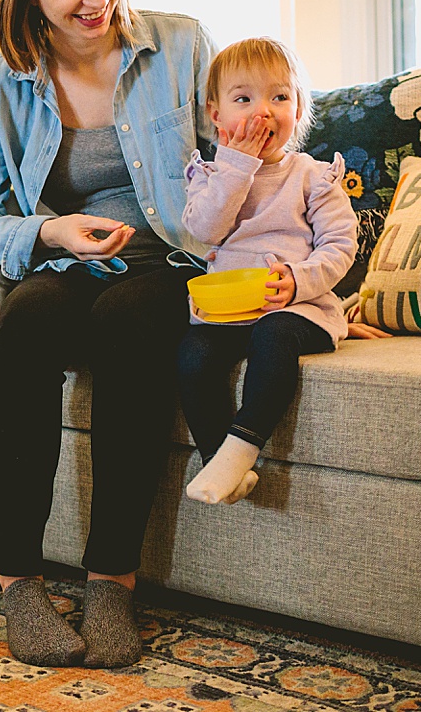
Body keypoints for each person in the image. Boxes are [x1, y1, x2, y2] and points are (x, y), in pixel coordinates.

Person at [0, 0, 215, 670]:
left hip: (165, 259)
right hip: (65, 256)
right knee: (27, 324)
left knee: (129, 323)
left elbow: (238, 160)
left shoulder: (182, 44)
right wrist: (49, 230)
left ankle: (109, 584)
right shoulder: (1, 83)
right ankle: (19, 583)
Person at [177, 37, 358, 506]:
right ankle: (224, 462)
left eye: (279, 97)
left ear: (299, 108)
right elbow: (205, 231)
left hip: (298, 311)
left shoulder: (313, 176)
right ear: (215, 116)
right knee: (192, 355)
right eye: (244, 99)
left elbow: (340, 246)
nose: (263, 112)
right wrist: (236, 167)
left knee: (273, 336)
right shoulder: (210, 177)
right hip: (229, 313)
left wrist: (299, 280)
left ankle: (242, 445)